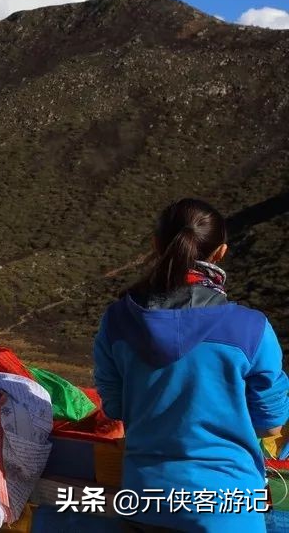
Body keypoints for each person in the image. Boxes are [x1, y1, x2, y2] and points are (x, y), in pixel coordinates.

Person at [94, 198, 289, 532]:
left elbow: (115, 406)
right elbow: (272, 424)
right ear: (220, 253)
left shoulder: (117, 321)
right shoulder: (252, 329)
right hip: (229, 510)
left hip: (145, 503)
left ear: (156, 245)